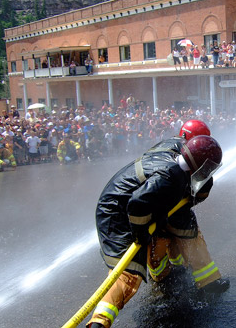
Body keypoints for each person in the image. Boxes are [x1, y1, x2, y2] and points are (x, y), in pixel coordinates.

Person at [87, 134, 227, 328]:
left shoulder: (177, 160)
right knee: (129, 273)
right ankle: (99, 322)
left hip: (140, 206)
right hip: (116, 214)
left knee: (185, 231)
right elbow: (137, 205)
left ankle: (186, 278)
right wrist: (140, 233)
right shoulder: (170, 176)